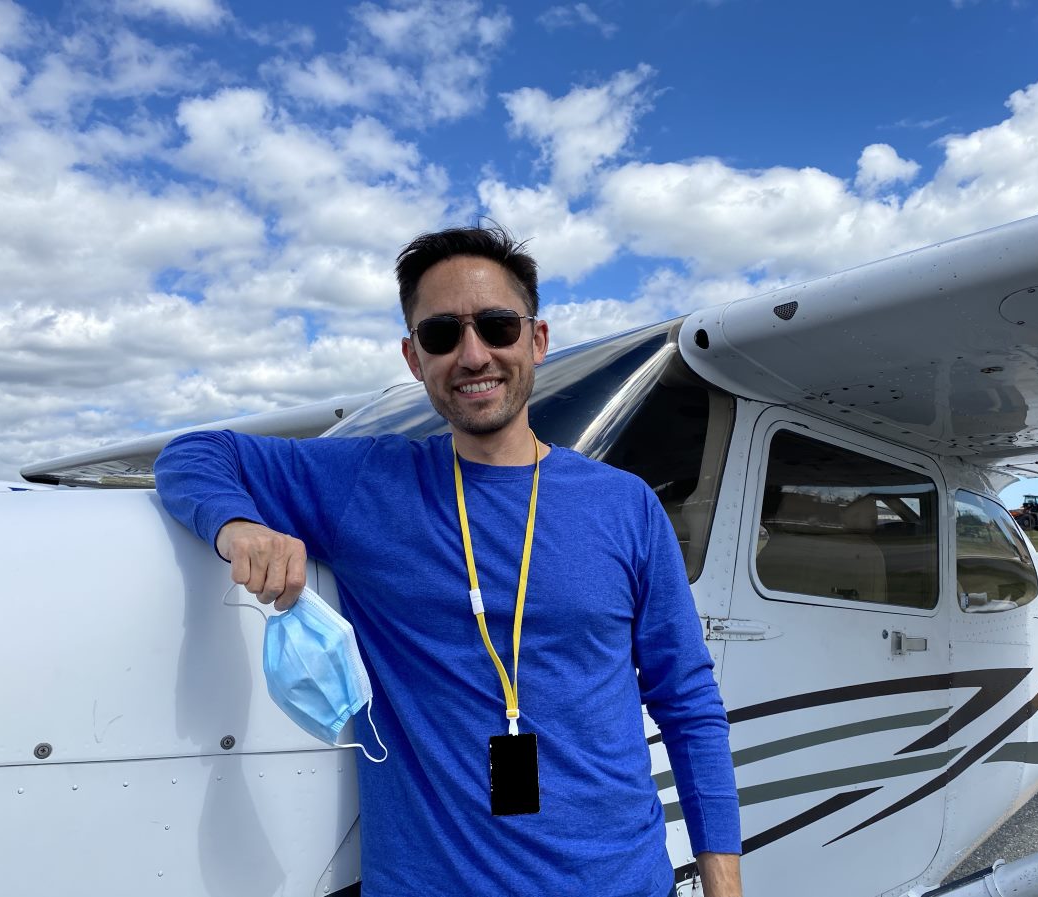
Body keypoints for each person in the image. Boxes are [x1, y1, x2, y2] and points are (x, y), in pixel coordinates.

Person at [154, 225, 743, 897]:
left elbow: (687, 699)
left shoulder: (626, 506)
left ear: (537, 340)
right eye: (441, 335)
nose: (472, 354)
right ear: (413, 357)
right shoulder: (367, 483)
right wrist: (239, 528)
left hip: (620, 882)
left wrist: (723, 881)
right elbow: (194, 453)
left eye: (497, 326)